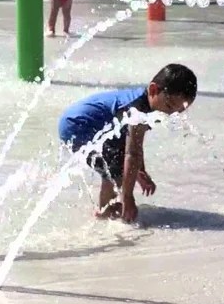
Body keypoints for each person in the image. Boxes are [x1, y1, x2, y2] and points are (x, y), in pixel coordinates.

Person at [57, 64, 198, 223]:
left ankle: (111, 207)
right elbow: (132, 152)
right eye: (169, 107)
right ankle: (104, 213)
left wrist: (140, 171)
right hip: (79, 126)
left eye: (178, 111)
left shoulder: (149, 105)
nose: (170, 113)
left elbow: (134, 144)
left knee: (117, 164)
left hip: (85, 123)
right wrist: (128, 195)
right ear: (153, 90)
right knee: (114, 171)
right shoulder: (137, 109)